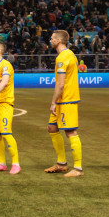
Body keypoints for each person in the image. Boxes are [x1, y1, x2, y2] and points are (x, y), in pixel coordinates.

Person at [45, 30, 83, 178]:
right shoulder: (68, 55)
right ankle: (61, 164)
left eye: (52, 38)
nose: (50, 40)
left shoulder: (63, 57)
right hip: (64, 99)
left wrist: (53, 102)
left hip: (67, 99)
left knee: (70, 132)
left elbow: (60, 84)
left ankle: (78, 168)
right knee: (52, 127)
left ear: (59, 41)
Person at [0, 42, 21, 175]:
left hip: (4, 103)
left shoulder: (6, 65)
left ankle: (16, 164)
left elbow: (5, 82)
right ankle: (1, 163)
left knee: (6, 133)